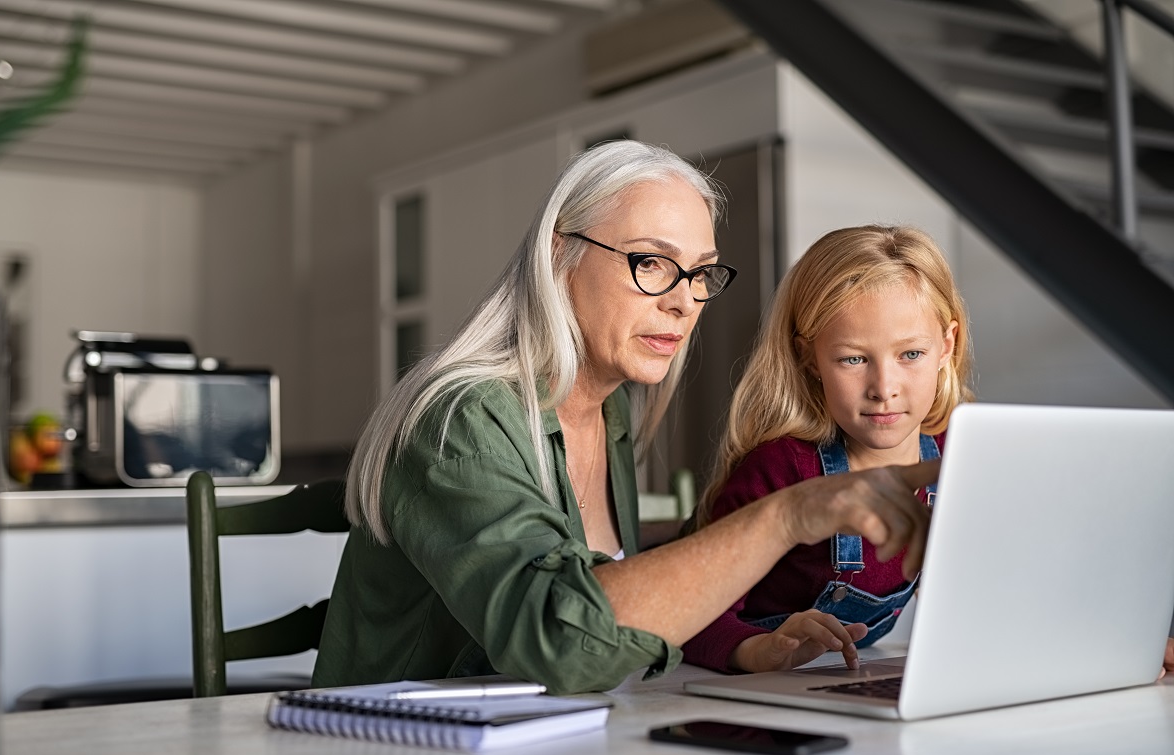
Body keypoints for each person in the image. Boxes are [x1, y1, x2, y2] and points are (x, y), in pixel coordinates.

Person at [312, 141, 940, 695]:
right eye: (651, 263)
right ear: (561, 255)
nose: (683, 301)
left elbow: (624, 617)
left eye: (698, 273)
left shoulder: (607, 412)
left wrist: (759, 641)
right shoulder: (461, 418)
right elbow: (557, 643)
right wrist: (790, 514)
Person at [681, 225, 970, 675]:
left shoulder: (960, 455)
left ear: (946, 347)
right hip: (759, 687)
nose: (884, 389)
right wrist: (764, 652)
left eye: (910, 354)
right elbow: (692, 621)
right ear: (808, 358)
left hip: (850, 677)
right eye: (853, 359)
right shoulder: (778, 470)